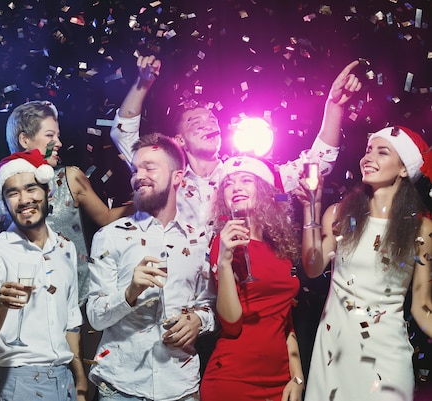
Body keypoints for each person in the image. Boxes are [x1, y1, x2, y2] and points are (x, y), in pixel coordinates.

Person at [111, 55, 362, 375]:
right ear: (178, 140)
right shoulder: (167, 177)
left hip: (234, 308)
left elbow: (315, 165)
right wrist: (143, 83)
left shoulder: (242, 176)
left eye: (211, 120)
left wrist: (334, 108)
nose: (207, 123)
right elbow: (124, 135)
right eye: (194, 121)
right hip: (175, 307)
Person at [298, 126, 432, 400]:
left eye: (382, 152)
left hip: (387, 356)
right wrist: (310, 207)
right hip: (333, 352)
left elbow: (421, 307)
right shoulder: (338, 214)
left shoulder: (422, 229)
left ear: (404, 169)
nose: (368, 157)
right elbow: (312, 268)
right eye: (369, 150)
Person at [86, 134, 216, 401]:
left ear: (178, 178)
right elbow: (95, 317)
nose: (138, 176)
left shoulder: (200, 240)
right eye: (135, 170)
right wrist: (130, 292)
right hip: (121, 387)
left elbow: (210, 304)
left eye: (149, 167)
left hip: (180, 387)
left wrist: (197, 321)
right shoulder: (110, 237)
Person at [0, 100, 133, 302]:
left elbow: (106, 218)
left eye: (58, 136)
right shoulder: (2, 187)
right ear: (24, 139)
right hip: (28, 301)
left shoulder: (70, 178)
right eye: (50, 135)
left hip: (75, 300)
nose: (59, 143)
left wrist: (142, 204)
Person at [0, 149, 87, 401]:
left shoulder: (65, 248)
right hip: (19, 381)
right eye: (13, 193)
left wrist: (79, 380)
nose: (24, 199)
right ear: (5, 202)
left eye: (31, 188)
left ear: (47, 192)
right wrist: (1, 305)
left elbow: (70, 319)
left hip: (65, 378)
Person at [200, 155, 303, 401]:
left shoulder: (279, 246)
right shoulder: (224, 244)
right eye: (228, 183)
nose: (236, 188)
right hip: (233, 379)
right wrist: (224, 260)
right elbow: (232, 323)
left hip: (279, 380)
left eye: (246, 180)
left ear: (264, 190)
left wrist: (297, 377)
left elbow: (285, 320)